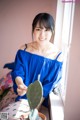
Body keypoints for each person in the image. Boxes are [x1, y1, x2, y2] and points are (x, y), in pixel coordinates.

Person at [11, 12, 63, 108]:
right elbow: (18, 72)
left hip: (40, 103)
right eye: (38, 29)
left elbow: (48, 86)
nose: (42, 35)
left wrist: (34, 110)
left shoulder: (57, 56)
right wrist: (20, 85)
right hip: (21, 98)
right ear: (33, 30)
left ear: (52, 31)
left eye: (46, 30)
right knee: (3, 116)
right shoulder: (23, 50)